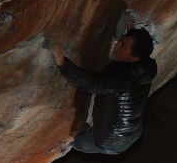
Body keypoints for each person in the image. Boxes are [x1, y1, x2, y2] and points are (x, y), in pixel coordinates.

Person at [47, 27, 157, 155]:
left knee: (78, 142)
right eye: (120, 41)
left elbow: (89, 83)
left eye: (122, 46)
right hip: (134, 132)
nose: (116, 45)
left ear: (133, 59)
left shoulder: (121, 81)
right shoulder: (145, 68)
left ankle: (78, 141)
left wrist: (62, 61)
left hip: (112, 142)